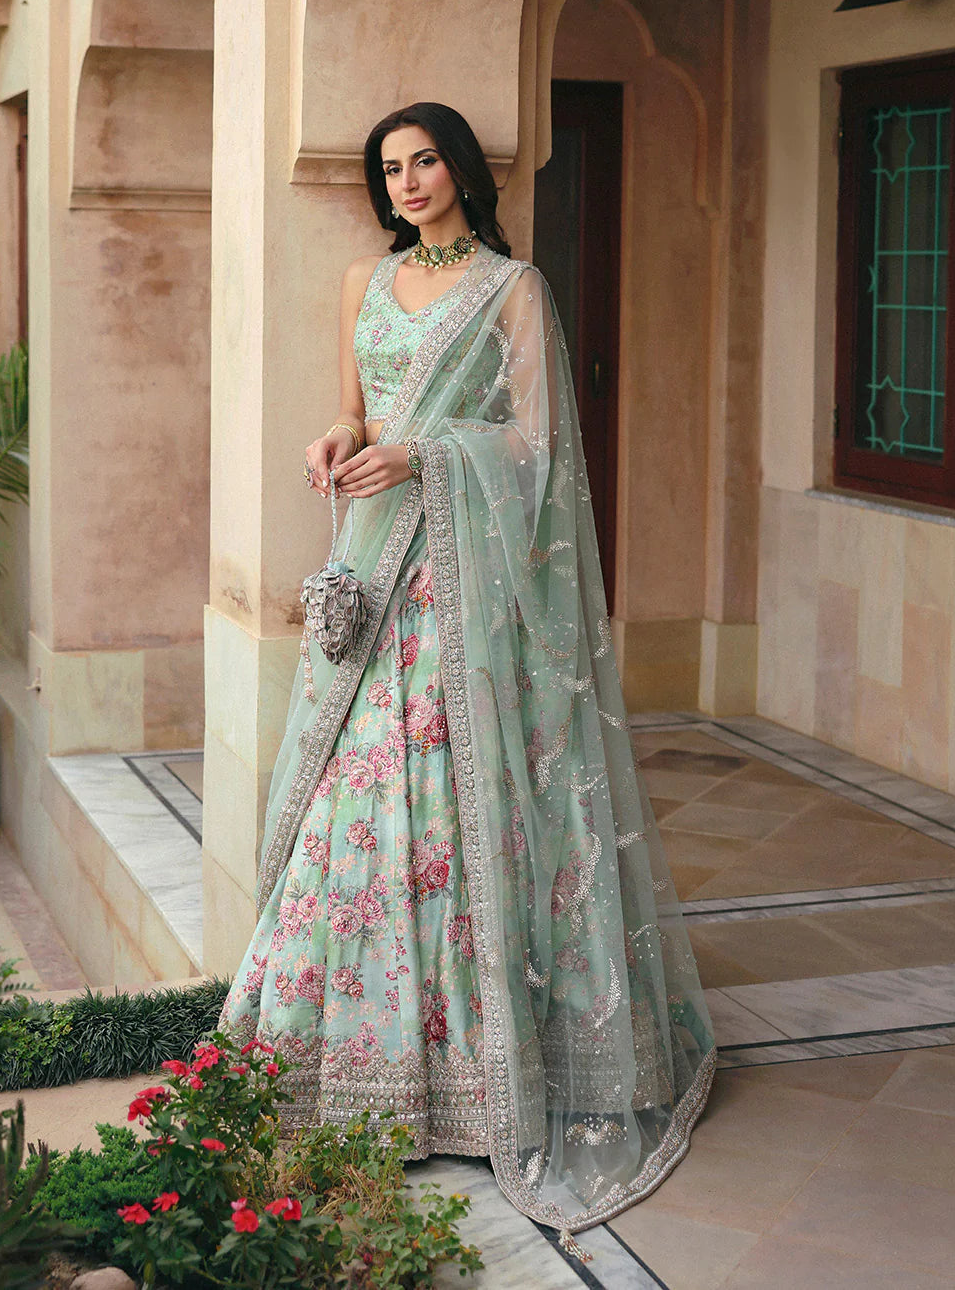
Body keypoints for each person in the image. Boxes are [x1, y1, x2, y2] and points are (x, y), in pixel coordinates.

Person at [217, 101, 716, 1244]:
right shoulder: (364, 280)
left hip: (461, 589)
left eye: (425, 160)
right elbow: (354, 407)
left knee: (455, 793)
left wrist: (428, 454)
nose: (407, 181)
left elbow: (539, 450)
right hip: (371, 564)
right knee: (356, 796)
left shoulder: (513, 288)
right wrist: (339, 439)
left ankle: (481, 1067)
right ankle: (352, 1052)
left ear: (461, 170)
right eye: (390, 167)